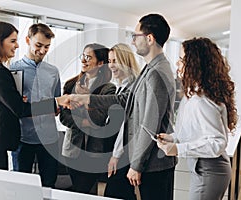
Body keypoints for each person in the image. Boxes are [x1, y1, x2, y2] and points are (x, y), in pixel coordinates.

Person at [68, 13, 177, 200]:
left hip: (154, 162)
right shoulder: (150, 68)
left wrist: (136, 165)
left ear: (149, 38)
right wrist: (87, 99)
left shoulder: (157, 73)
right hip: (151, 160)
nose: (133, 41)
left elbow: (149, 125)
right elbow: (126, 100)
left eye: (136, 36)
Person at [0, 21, 68, 170]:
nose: (17, 45)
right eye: (13, 41)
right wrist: (55, 102)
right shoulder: (1, 71)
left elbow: (5, 104)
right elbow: (20, 109)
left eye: (46, 46)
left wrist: (16, 100)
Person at [157, 37, 238, 200]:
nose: (178, 65)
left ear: (195, 64)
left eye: (182, 60)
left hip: (210, 170)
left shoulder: (202, 100)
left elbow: (217, 143)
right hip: (203, 168)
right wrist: (173, 138)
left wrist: (178, 149)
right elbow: (195, 130)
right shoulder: (193, 93)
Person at [59, 43, 116, 195]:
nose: (83, 60)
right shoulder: (71, 84)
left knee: (84, 191)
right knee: (78, 191)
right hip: (72, 149)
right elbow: (64, 117)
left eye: (88, 57)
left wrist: (85, 99)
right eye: (83, 56)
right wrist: (84, 122)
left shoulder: (108, 89)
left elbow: (99, 119)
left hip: (94, 151)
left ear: (101, 63)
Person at [10, 23, 60, 188]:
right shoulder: (13, 70)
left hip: (49, 139)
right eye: (38, 45)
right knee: (21, 186)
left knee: (49, 184)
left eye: (47, 47)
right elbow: (13, 108)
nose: (43, 51)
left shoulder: (53, 71)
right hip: (23, 138)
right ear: (27, 40)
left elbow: (56, 104)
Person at [104, 43, 140, 200]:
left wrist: (116, 155)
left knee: (114, 193)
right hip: (118, 151)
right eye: (110, 61)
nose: (111, 65)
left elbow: (126, 126)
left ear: (126, 61)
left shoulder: (132, 88)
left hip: (124, 153)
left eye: (115, 61)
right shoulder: (120, 87)